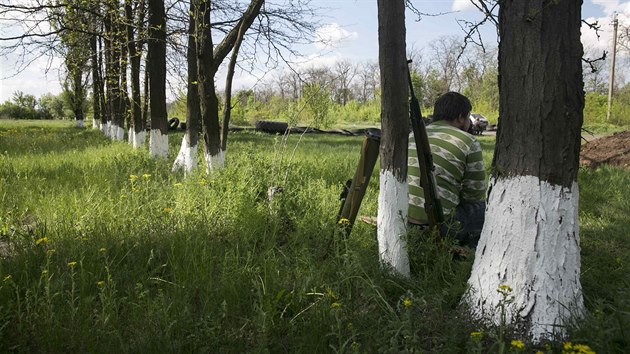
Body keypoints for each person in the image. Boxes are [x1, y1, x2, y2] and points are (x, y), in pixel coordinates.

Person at [408, 92, 486, 247]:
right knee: (481, 208)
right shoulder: (469, 142)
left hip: (405, 220)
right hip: (440, 226)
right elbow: (474, 195)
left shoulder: (412, 135)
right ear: (460, 117)